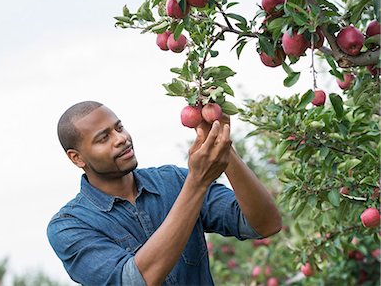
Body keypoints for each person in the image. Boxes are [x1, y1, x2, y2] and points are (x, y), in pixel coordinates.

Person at [47, 101, 282, 286]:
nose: (121, 139)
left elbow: (265, 224)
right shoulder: (69, 226)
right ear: (76, 157)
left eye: (119, 127)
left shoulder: (173, 180)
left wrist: (221, 144)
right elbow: (133, 281)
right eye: (103, 138)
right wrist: (197, 183)